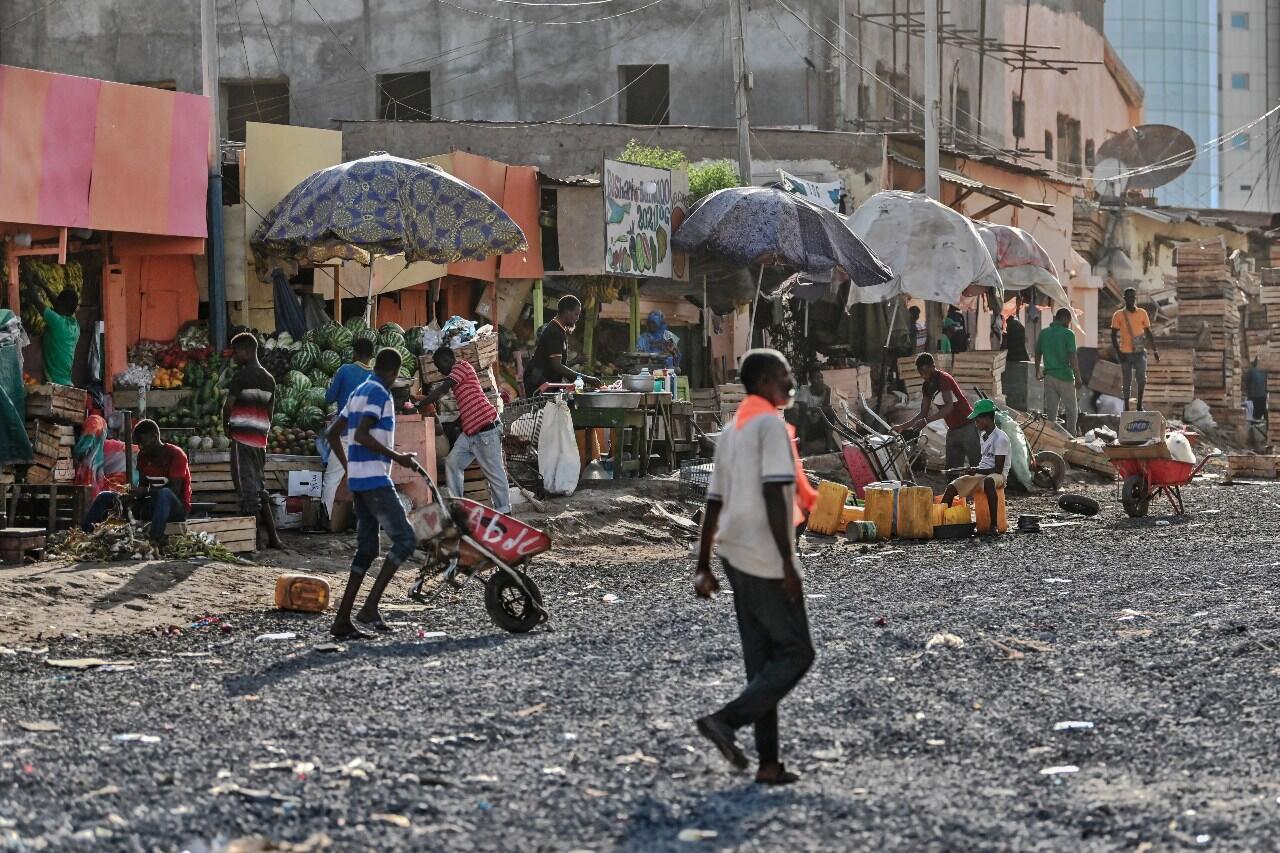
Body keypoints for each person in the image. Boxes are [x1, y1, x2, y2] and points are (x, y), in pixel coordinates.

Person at [692, 349, 815, 787]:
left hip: (733, 552)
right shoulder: (769, 426)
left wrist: (704, 565)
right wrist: (789, 562)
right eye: (784, 375)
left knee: (762, 663)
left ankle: (768, 764)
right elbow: (774, 495)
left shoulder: (732, 429)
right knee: (799, 652)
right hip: (764, 554)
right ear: (764, 380)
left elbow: (713, 502)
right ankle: (726, 721)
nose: (789, 381)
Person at [325, 348, 420, 639]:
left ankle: (344, 619)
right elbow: (364, 434)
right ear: (393, 373)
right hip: (376, 481)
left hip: (359, 482)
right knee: (406, 539)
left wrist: (349, 466)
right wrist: (399, 458)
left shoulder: (358, 391)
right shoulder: (380, 393)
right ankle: (369, 607)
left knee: (367, 549)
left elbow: (333, 433)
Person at [421, 346, 512, 514]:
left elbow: (442, 389)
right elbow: (467, 406)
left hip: (487, 430)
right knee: (452, 463)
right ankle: (457, 507)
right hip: (470, 434)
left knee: (495, 474)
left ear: (447, 360)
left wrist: (421, 404)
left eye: (438, 364)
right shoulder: (457, 377)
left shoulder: (461, 367)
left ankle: (505, 511)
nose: (439, 369)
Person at [82, 419, 190, 544]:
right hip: (153, 506)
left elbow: (175, 491)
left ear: (154, 438)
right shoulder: (143, 456)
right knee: (105, 496)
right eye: (138, 444)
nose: (140, 447)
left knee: (164, 493)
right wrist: (131, 496)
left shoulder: (176, 455)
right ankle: (85, 534)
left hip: (176, 509)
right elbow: (143, 486)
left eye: (143, 443)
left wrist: (146, 491)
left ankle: (155, 538)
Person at [223, 333, 281, 551]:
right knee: (259, 489)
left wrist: (226, 427)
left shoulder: (241, 377)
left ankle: (253, 541)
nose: (235, 356)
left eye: (236, 352)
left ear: (247, 351)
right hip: (260, 441)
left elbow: (228, 406)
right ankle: (274, 538)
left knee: (247, 491)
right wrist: (262, 433)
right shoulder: (269, 379)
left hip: (242, 439)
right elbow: (270, 412)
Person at [894, 352, 980, 470]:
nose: (924, 376)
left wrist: (926, 421)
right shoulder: (926, 386)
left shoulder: (944, 379)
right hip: (953, 429)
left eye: (926, 372)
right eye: (921, 373)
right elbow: (923, 413)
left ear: (933, 367)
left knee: (978, 467)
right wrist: (902, 426)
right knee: (952, 470)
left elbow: (949, 407)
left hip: (968, 426)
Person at [321, 338, 376, 515]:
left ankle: (326, 516)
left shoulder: (345, 370)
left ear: (356, 353)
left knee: (332, 477)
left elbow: (329, 398)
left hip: (345, 432)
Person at [940, 399, 1010, 525]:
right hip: (982, 473)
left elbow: (998, 469)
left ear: (987, 418)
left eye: (977, 420)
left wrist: (976, 470)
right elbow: (984, 463)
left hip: (998, 476)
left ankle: (993, 525)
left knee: (988, 481)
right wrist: (974, 470)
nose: (975, 423)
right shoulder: (984, 436)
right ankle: (939, 522)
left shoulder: (1001, 438)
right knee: (951, 487)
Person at [524, 295, 602, 396]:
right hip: (539, 383)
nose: (577, 318)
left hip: (545, 382)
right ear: (566, 312)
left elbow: (558, 365)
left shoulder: (559, 330)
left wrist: (578, 380)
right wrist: (586, 378)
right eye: (576, 314)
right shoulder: (554, 332)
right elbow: (557, 366)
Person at [1110, 287, 1160, 411]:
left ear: (1135, 298)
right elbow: (1113, 335)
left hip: (1139, 353)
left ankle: (1139, 405)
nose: (1132, 299)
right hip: (1125, 353)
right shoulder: (1118, 315)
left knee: (1141, 379)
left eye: (1133, 297)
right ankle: (1126, 406)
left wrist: (1155, 351)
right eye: (1129, 297)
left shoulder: (1142, 313)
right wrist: (1118, 352)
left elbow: (1148, 332)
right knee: (1126, 381)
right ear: (1125, 299)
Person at [1036, 307, 1082, 436]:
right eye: (1069, 320)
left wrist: (1036, 371)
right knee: (1072, 410)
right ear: (1065, 318)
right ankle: (1071, 437)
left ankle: (1052, 438)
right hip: (1065, 377)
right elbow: (1072, 357)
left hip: (1049, 376)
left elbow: (1038, 352)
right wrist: (1078, 377)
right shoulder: (1068, 334)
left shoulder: (1044, 333)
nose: (1069, 323)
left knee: (1051, 413)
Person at [789, 365, 838, 455]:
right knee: (803, 416)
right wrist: (820, 409)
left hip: (818, 426)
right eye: (816, 378)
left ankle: (828, 447)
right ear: (810, 380)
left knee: (830, 413)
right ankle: (802, 450)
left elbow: (827, 408)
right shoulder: (804, 390)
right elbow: (804, 409)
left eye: (821, 378)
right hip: (807, 427)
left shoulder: (825, 390)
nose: (820, 380)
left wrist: (828, 393)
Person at [42, 288, 80, 387]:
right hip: (66, 382)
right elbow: (59, 304)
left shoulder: (57, 323)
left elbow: (35, 299)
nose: (54, 306)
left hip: (54, 383)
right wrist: (42, 284)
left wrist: (29, 282)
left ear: (60, 304)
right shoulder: (75, 326)